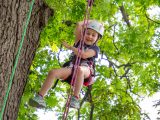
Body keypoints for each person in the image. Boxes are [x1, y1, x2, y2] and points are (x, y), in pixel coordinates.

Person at [29, 20, 104, 109]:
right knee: (53, 72)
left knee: (79, 69)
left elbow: (83, 55)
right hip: (72, 67)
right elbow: (79, 24)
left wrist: (70, 47)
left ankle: (75, 98)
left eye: (93, 35)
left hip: (85, 69)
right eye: (88, 33)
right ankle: (40, 97)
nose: (90, 36)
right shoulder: (79, 42)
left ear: (97, 38)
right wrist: (92, 21)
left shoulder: (95, 48)